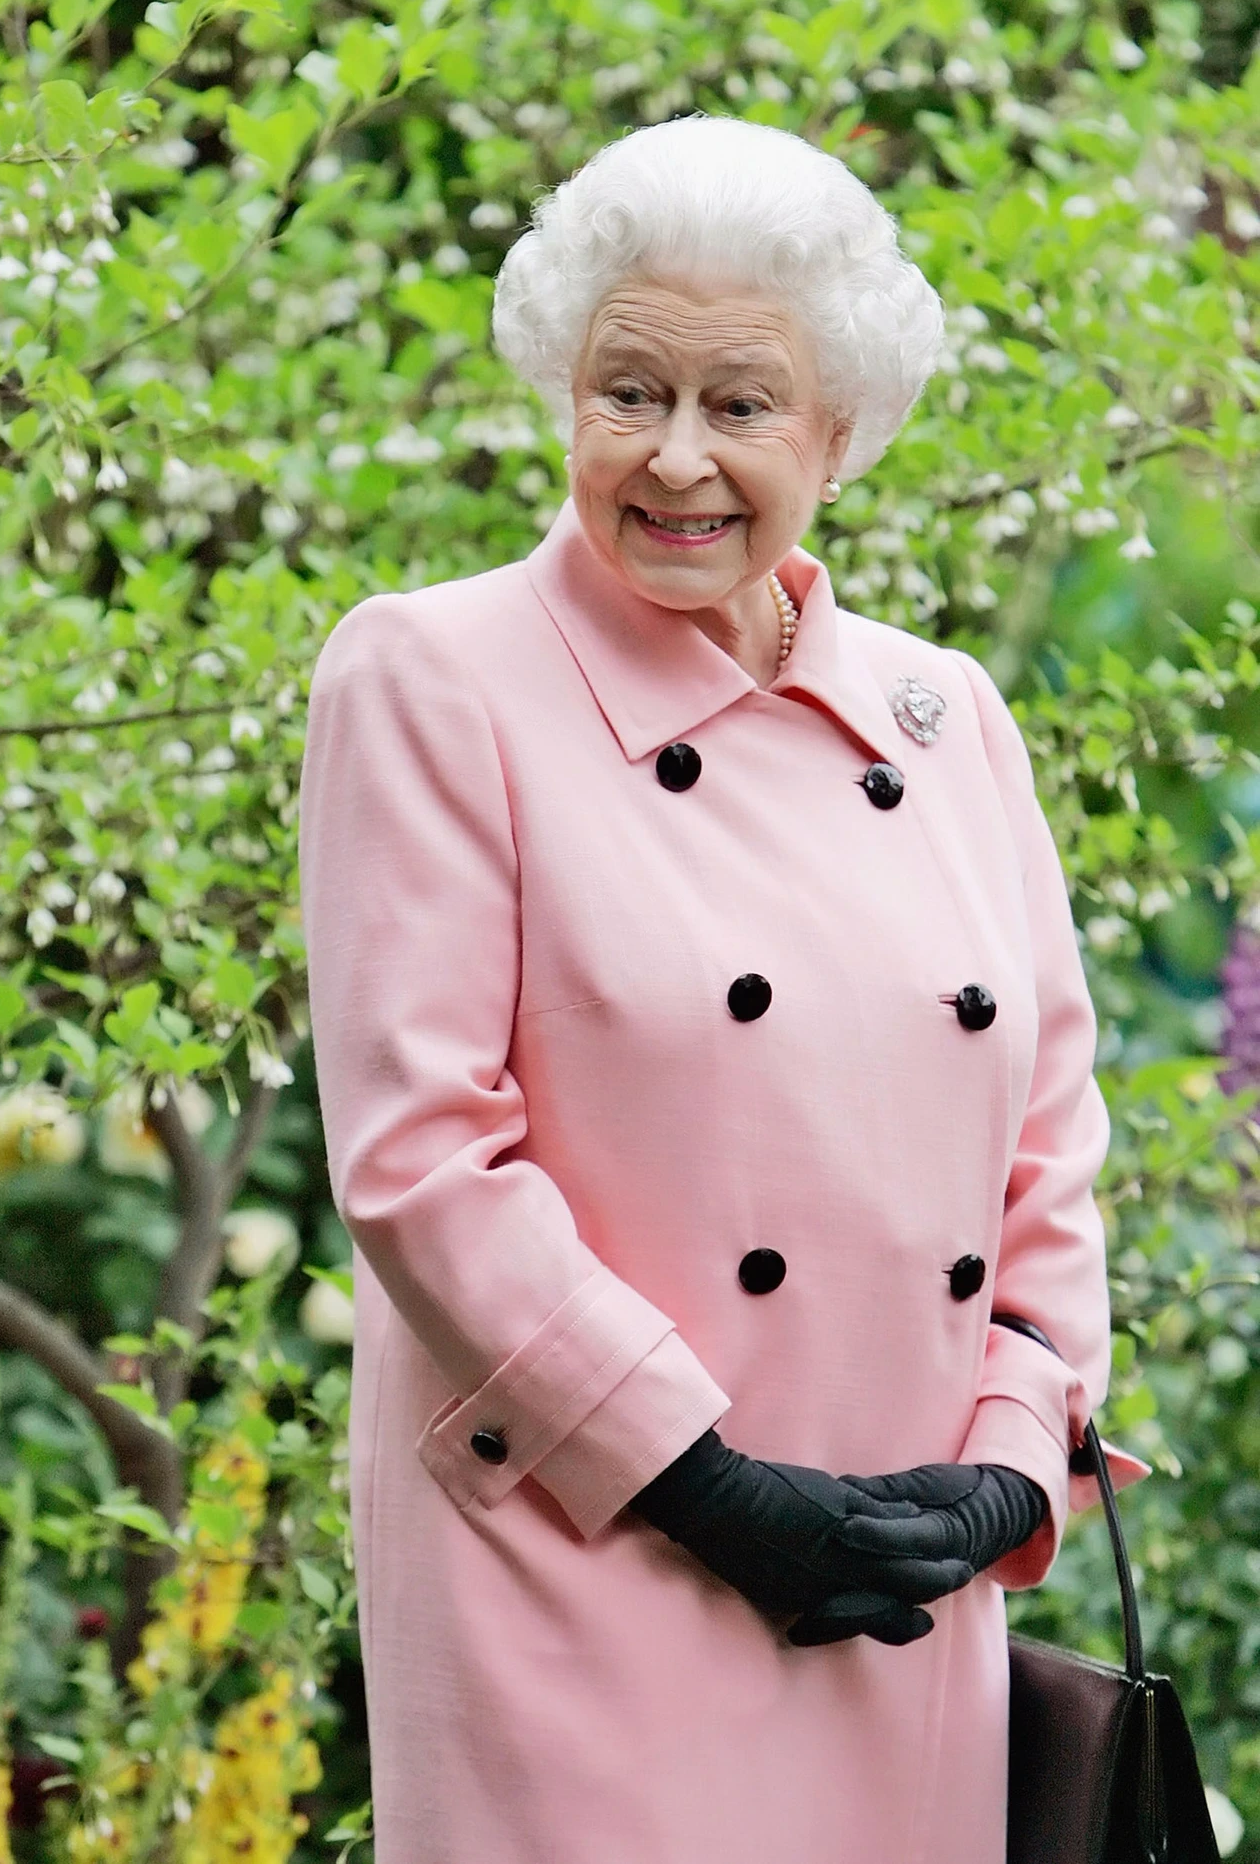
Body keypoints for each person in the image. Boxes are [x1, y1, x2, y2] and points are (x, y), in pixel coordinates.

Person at [297, 114, 1145, 1864]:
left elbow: (1051, 1134)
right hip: (580, 1560)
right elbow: (423, 1156)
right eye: (629, 391)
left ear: (844, 430)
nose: (675, 457)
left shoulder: (944, 712)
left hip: (899, 1594)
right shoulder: (434, 675)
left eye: (741, 405)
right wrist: (708, 1484)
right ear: (564, 392)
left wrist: (1006, 1460)